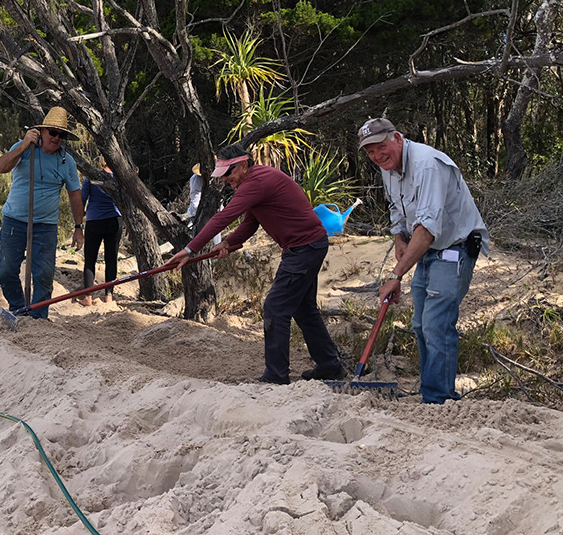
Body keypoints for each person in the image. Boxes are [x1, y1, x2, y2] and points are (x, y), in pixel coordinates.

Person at [162, 144, 344, 384]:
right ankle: (330, 365)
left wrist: (189, 249)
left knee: (275, 308)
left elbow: (224, 216)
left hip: (304, 247)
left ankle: (276, 376)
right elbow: (251, 223)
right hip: (308, 245)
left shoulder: (256, 182)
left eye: (229, 173)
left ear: (244, 164)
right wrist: (228, 242)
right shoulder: (257, 182)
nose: (226, 179)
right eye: (223, 175)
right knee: (303, 309)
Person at [359, 117, 488, 404]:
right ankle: (432, 390)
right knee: (419, 324)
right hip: (427, 250)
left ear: (398, 138)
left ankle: (438, 399)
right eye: (370, 152)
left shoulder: (428, 164)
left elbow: (428, 228)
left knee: (436, 324)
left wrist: (396, 275)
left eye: (381, 147)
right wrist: (398, 238)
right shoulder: (389, 168)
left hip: (454, 249)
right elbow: (397, 208)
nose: (377, 156)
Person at [0, 107, 86, 319]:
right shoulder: (25, 148)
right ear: (42, 131)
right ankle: (18, 309)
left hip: (45, 226)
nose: (56, 138)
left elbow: (75, 195)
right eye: (52, 132)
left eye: (61, 135)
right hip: (14, 221)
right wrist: (23, 146)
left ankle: (38, 318)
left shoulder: (67, 162)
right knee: (7, 271)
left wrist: (78, 227)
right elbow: (1, 167)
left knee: (44, 275)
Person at [79, 161, 122, 306]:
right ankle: (109, 295)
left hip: (94, 221)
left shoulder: (90, 178)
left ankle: (88, 297)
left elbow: (82, 200)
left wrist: (79, 219)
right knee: (111, 259)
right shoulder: (120, 178)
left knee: (90, 259)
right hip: (114, 220)